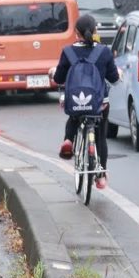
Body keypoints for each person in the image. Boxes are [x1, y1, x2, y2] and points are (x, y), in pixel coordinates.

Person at [49, 15, 120, 189]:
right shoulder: (104, 52)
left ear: (76, 33)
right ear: (95, 31)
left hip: (75, 101)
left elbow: (58, 79)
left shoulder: (68, 51)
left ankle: (68, 140)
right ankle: (101, 176)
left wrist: (52, 72)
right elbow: (114, 78)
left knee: (74, 117)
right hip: (99, 104)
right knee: (101, 136)